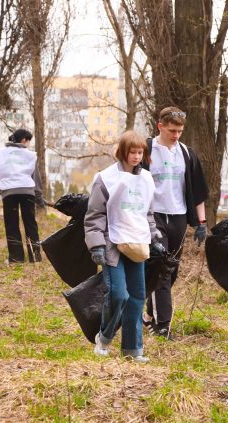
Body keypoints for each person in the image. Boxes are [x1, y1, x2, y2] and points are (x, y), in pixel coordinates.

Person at [84, 130, 164, 362]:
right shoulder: (106, 178)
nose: (137, 156)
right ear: (123, 152)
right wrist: (96, 245)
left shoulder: (146, 179)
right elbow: (94, 216)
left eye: (140, 152)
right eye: (132, 152)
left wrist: (155, 237)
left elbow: (146, 214)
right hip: (112, 244)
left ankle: (132, 349)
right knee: (119, 294)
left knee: (137, 298)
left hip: (137, 243)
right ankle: (104, 337)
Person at [142, 107, 209, 339]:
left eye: (180, 131)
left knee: (172, 272)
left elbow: (198, 191)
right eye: (172, 130)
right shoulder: (146, 150)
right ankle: (163, 327)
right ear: (160, 126)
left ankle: (150, 314)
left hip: (179, 216)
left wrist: (201, 222)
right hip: (154, 216)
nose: (176, 135)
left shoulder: (186, 154)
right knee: (161, 267)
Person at [0, 129, 44, 263]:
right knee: (30, 223)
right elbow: (36, 177)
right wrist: (39, 197)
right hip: (27, 191)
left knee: (12, 225)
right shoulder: (29, 155)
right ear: (23, 140)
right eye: (28, 141)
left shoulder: (1, 153)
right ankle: (35, 256)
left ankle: (16, 258)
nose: (29, 144)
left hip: (9, 192)